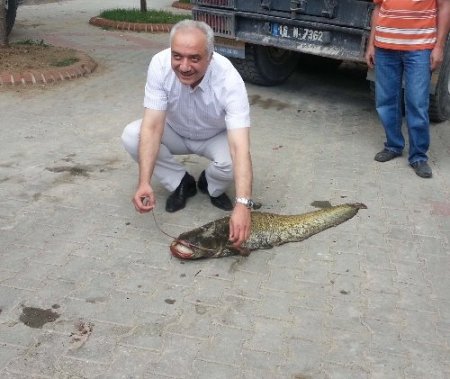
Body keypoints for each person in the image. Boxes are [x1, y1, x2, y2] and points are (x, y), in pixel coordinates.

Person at [121, 19, 254, 247]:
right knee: (133, 135)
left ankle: (209, 184)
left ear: (210, 57)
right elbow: (152, 127)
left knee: (231, 162)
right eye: (177, 56)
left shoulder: (229, 80)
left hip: (214, 136)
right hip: (175, 130)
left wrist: (243, 204)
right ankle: (181, 182)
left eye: (194, 58)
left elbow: (239, 146)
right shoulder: (159, 65)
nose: (184, 66)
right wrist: (144, 182)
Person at [365, 0, 450, 178]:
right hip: (385, 48)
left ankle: (418, 156)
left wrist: (439, 47)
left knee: (417, 103)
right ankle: (393, 145)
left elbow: (445, 7)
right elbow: (378, 8)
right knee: (386, 100)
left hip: (419, 49)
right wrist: (371, 44)